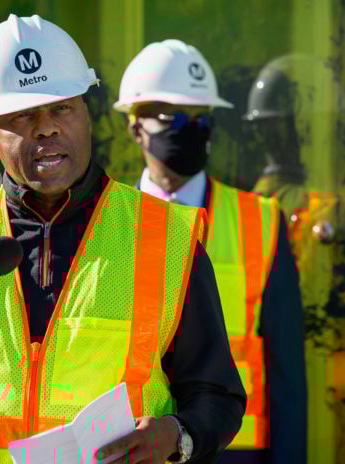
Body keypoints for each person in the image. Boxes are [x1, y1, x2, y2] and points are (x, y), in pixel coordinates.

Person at [0, 14, 245, 464]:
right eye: (22, 115)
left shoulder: (165, 236)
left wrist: (176, 436)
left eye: (61, 108)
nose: (46, 127)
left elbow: (217, 397)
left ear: (86, 117)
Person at [113, 40, 307, 464]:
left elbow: (286, 371)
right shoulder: (106, 223)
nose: (191, 128)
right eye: (174, 117)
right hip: (137, 448)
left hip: (234, 450)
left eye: (201, 118)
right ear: (135, 127)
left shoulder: (261, 220)